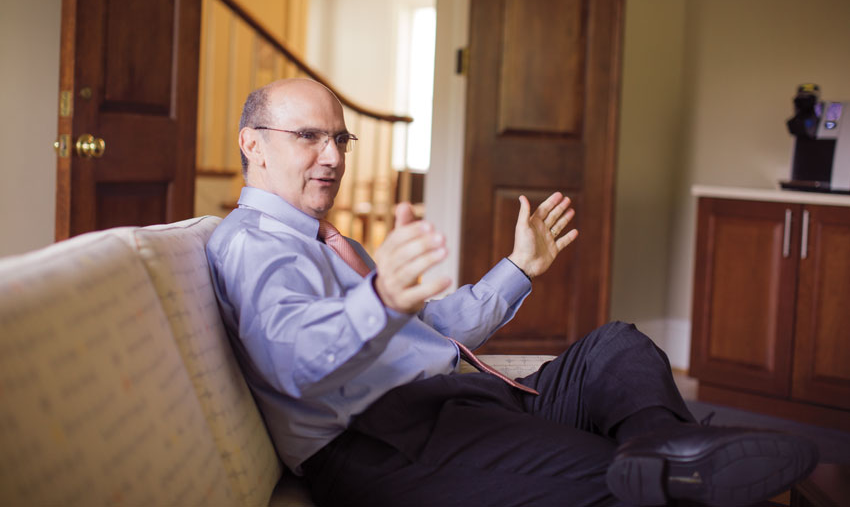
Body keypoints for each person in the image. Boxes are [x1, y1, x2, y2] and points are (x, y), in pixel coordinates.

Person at [206, 78, 817, 507]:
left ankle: (666, 452)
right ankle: (673, 468)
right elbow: (292, 364)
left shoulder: (329, 240)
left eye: (340, 139)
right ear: (251, 143)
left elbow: (428, 329)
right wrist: (382, 298)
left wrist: (518, 268)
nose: (332, 156)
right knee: (606, 479)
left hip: (452, 401)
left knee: (614, 349)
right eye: (308, 137)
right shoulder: (253, 246)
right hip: (376, 444)